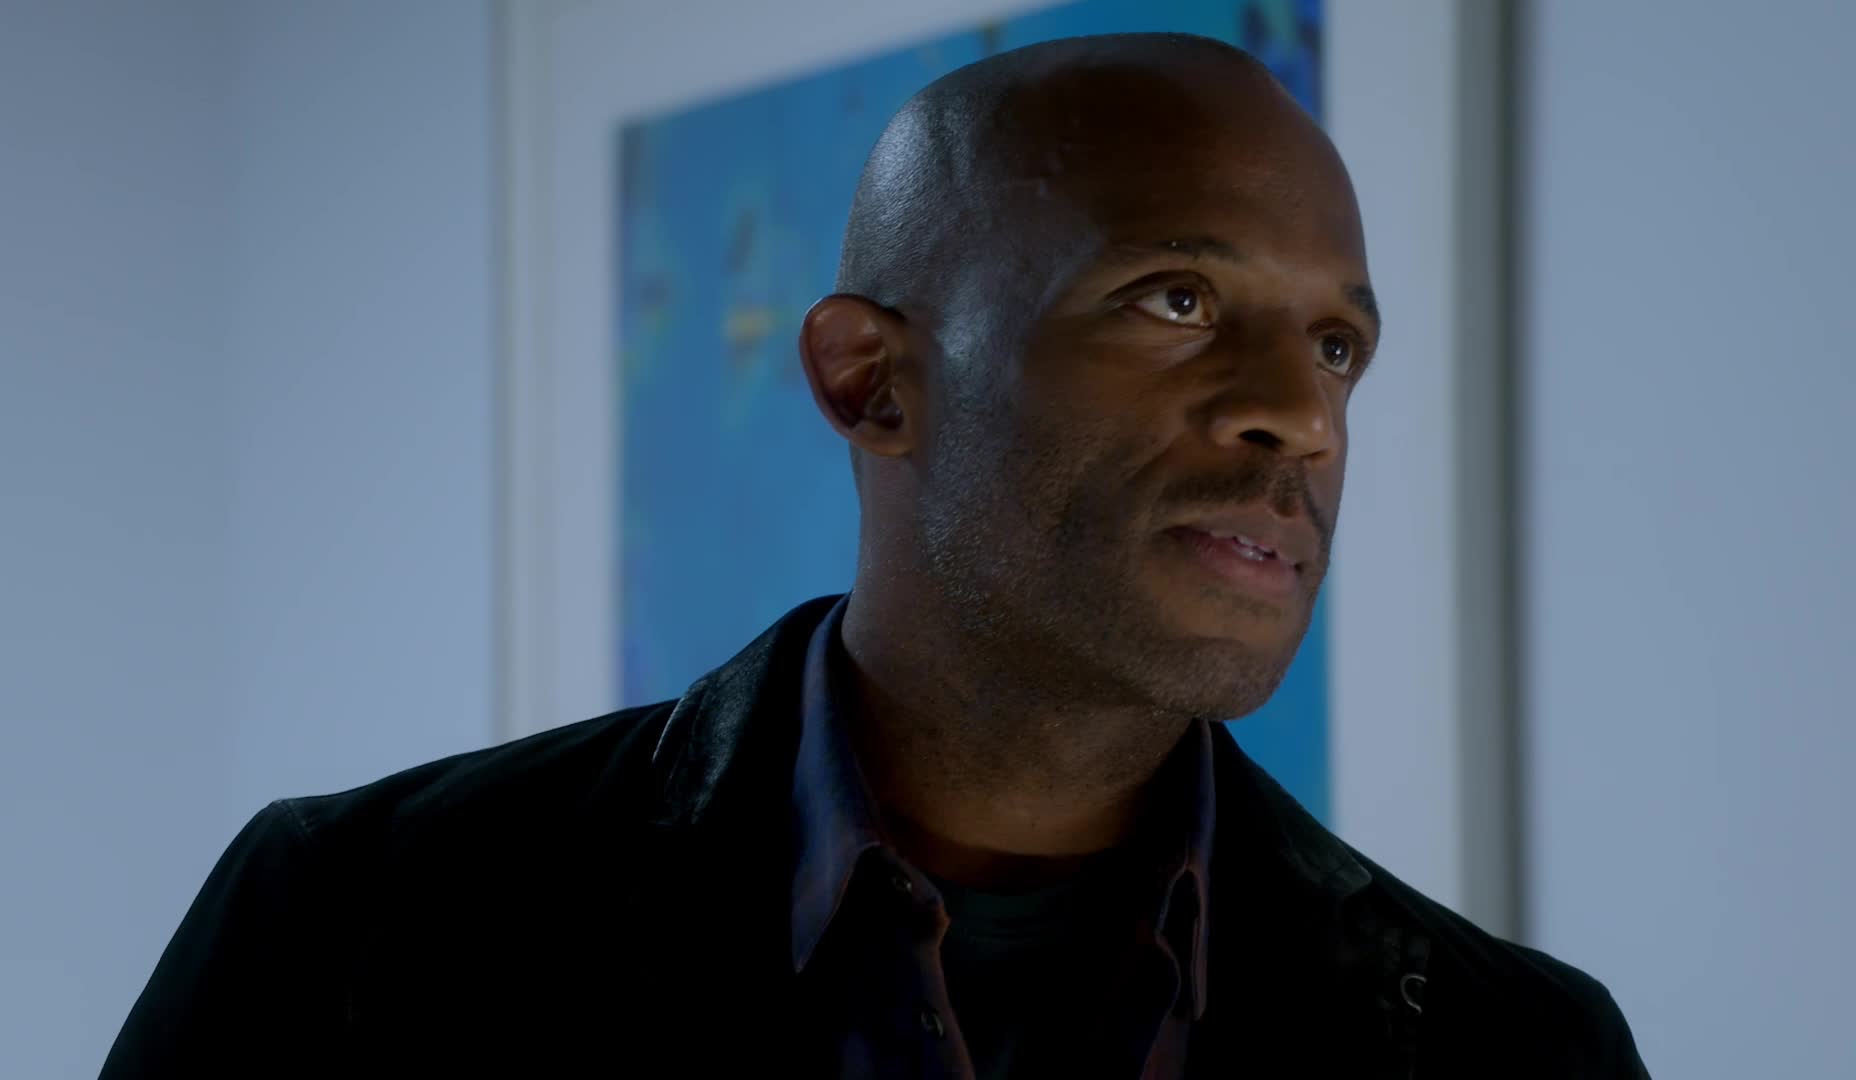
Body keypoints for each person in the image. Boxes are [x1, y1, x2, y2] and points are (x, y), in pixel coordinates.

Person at [103, 33, 1647, 1079]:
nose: (1297, 415)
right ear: (871, 381)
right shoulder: (357, 930)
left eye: (1336, 346)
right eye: (1176, 300)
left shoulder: (1518, 1050)